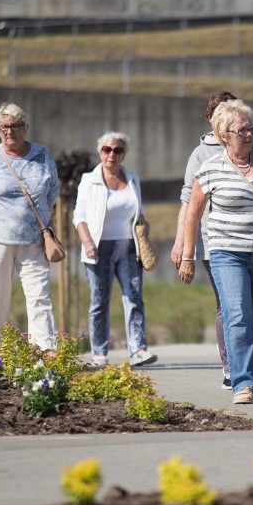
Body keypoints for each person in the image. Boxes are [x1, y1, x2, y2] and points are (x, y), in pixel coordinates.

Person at [178, 99, 253, 405]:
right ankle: (242, 383)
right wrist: (188, 256)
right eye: (242, 129)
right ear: (224, 135)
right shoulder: (211, 168)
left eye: (251, 128)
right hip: (226, 253)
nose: (249, 134)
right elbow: (193, 213)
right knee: (237, 314)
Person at [171, 91, 253, 389]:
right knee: (228, 305)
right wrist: (182, 243)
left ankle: (246, 365)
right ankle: (231, 367)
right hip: (213, 240)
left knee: (251, 306)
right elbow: (188, 202)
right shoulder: (200, 154)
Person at [0, 102, 59, 350]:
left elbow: (52, 192)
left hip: (34, 241)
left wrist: (34, 217)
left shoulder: (42, 155)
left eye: (15, 125)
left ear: (25, 127)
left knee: (40, 296)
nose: (10, 131)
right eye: (4, 126)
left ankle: (47, 352)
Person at [73, 132, 157, 368]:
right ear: (100, 152)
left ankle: (138, 350)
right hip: (98, 248)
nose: (112, 154)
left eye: (117, 150)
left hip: (129, 247)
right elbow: (79, 216)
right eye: (107, 150)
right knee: (99, 301)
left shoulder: (132, 179)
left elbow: (139, 211)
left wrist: (144, 230)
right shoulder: (89, 180)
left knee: (134, 297)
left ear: (124, 154)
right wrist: (88, 242)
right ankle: (99, 353)